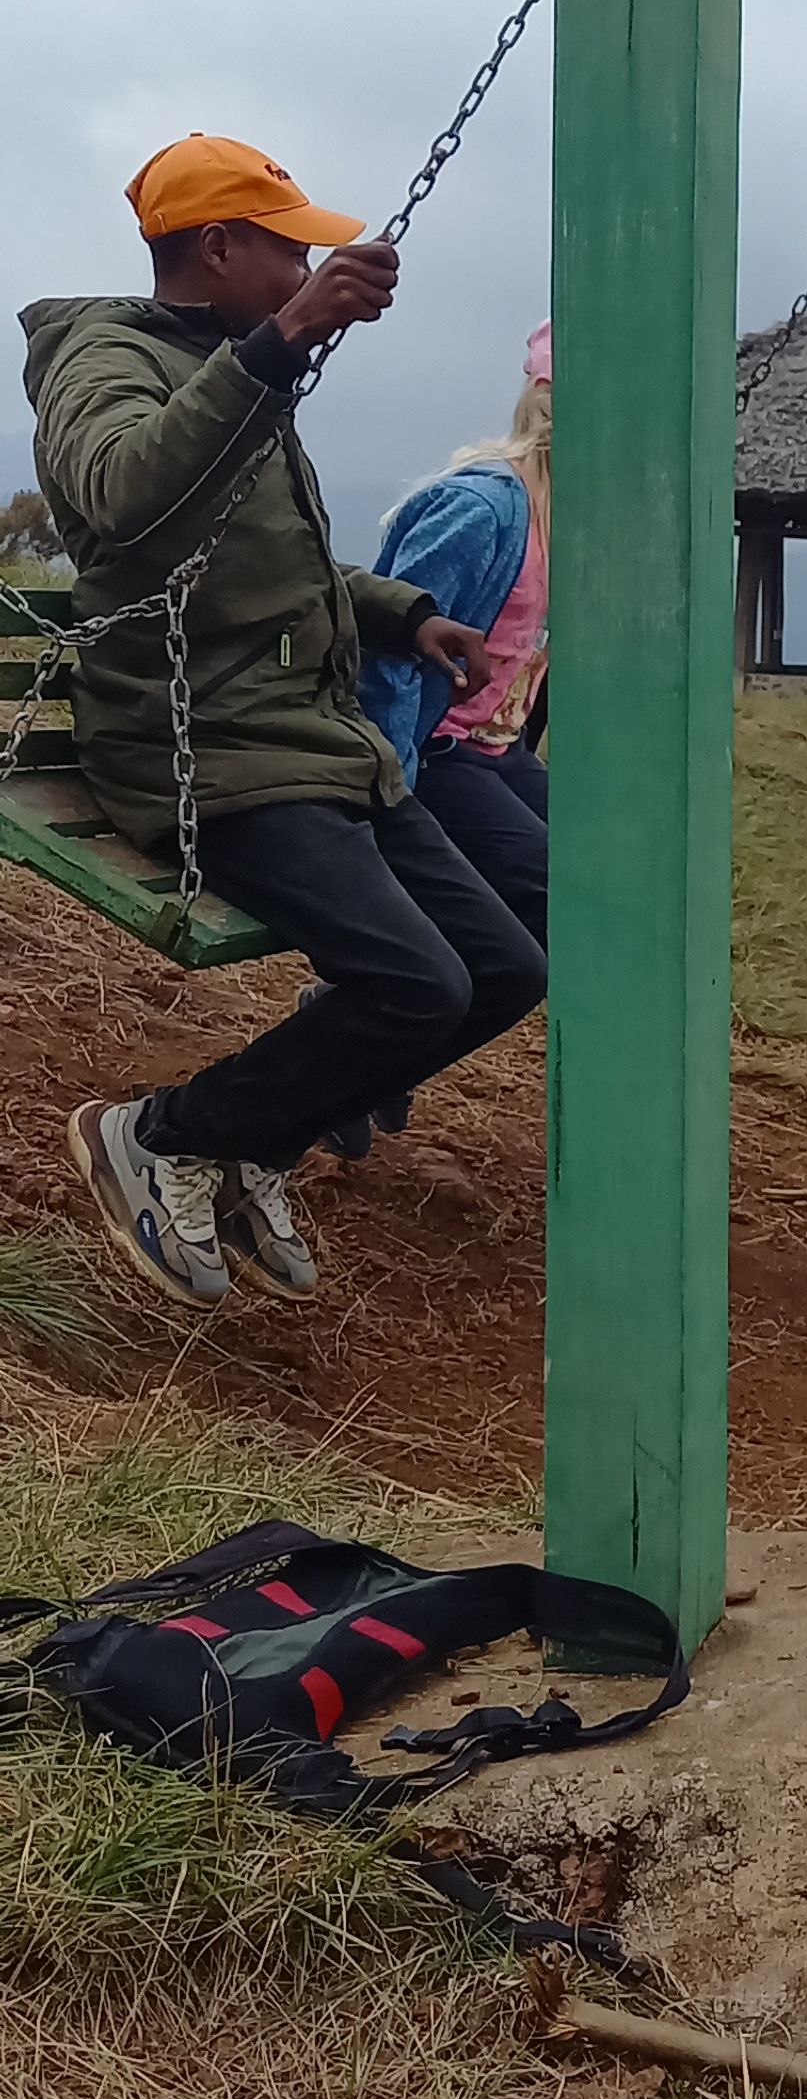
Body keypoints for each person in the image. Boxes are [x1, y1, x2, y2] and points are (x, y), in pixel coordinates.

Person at [23, 135, 546, 1311]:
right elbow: (115, 497)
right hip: (202, 750)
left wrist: (408, 616)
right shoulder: (101, 356)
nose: (303, 266)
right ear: (218, 247)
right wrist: (282, 340)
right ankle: (163, 1135)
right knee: (415, 985)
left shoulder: (232, 367)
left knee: (506, 966)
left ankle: (252, 1143)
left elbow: (270, 568)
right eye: (287, 247)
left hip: (305, 742)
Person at [357, 321, 552, 948]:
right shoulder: (481, 509)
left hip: (499, 746)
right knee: (553, 887)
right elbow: (390, 640)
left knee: (611, 868)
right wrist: (388, 791)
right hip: (432, 746)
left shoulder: (571, 516)